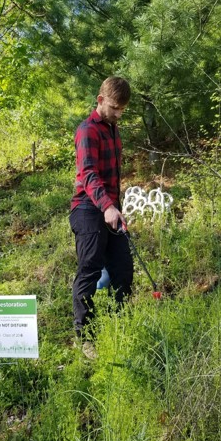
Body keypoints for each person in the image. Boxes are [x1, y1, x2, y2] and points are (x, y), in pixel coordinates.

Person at [69, 76, 134, 358]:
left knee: (124, 268)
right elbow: (89, 174)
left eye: (122, 110)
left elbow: (113, 178)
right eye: (115, 107)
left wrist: (115, 209)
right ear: (100, 100)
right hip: (87, 208)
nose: (119, 114)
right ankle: (86, 337)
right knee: (90, 270)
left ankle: (121, 326)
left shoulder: (113, 129)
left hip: (109, 209)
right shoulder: (87, 131)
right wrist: (107, 207)